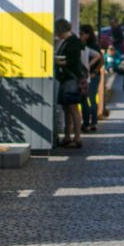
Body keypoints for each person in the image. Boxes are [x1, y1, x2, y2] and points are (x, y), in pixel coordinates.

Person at [51, 18, 85, 149]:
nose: (56, 34)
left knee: (73, 108)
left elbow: (73, 60)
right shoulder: (68, 41)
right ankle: (67, 136)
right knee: (67, 109)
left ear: (61, 30)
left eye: (57, 31)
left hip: (71, 79)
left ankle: (77, 138)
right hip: (66, 79)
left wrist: (60, 62)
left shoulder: (73, 42)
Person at [78, 24, 103, 133]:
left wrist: (93, 71)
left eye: (81, 33)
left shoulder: (93, 46)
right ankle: (88, 122)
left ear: (88, 35)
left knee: (90, 98)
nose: (79, 35)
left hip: (93, 75)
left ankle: (92, 122)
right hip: (86, 75)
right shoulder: (82, 45)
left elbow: (101, 60)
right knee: (86, 99)